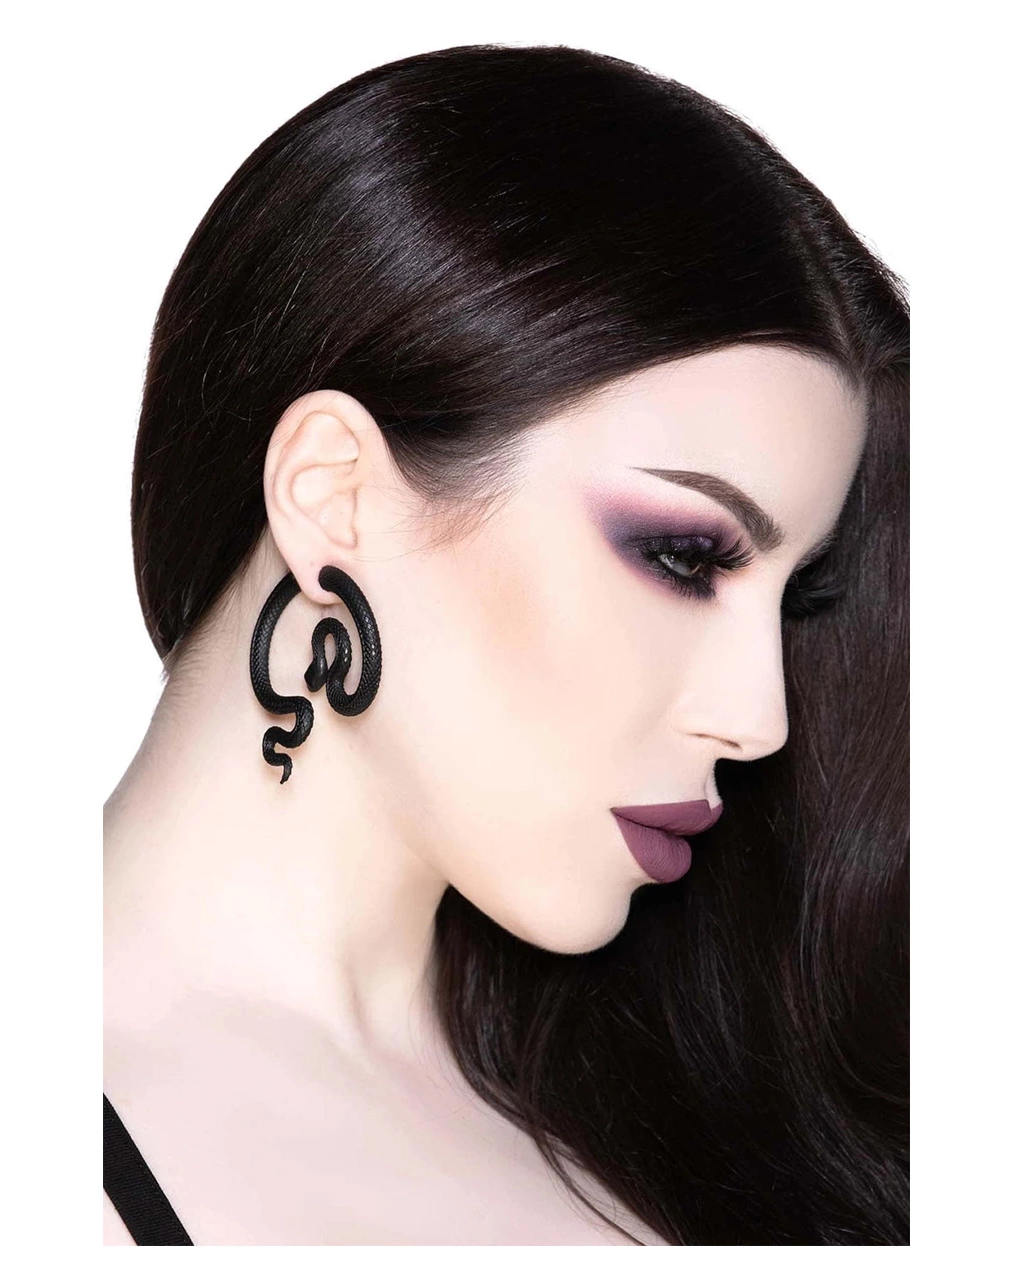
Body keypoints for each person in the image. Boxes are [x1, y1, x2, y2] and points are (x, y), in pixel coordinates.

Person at [103, 42, 909, 1246]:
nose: (758, 720)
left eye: (791, 602)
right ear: (334, 495)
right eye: (683, 556)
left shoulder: (701, 1101)